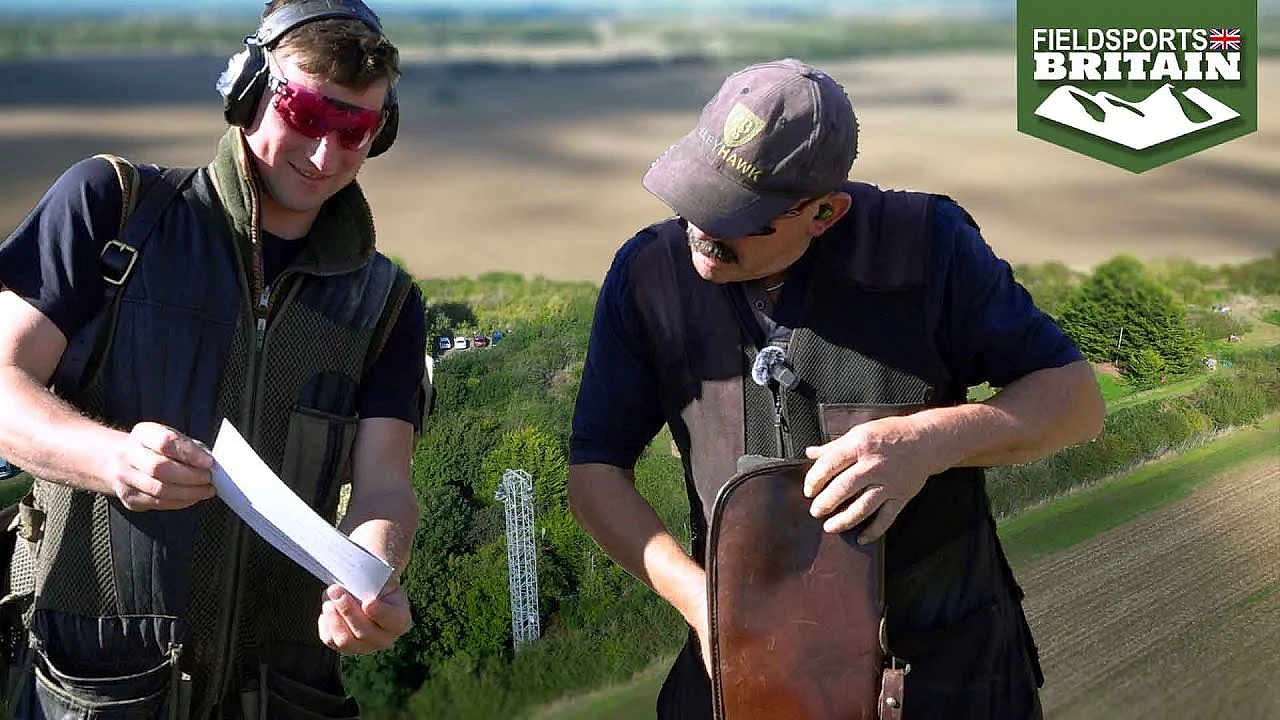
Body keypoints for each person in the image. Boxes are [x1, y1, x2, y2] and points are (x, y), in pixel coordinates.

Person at [567, 58, 1105, 719]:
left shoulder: (927, 247)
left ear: (824, 211)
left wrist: (930, 441)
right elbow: (594, 471)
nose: (700, 231)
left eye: (735, 215)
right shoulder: (646, 277)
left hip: (943, 670)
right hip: (749, 678)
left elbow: (1076, 401)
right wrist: (709, 612)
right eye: (692, 198)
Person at [0, 1, 426, 717]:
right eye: (308, 114)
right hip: (96, 686)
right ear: (248, 89)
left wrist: (371, 574)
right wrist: (113, 460)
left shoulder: (385, 303)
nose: (325, 155)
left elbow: (385, 488)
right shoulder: (111, 208)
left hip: (282, 692)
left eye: (355, 129)